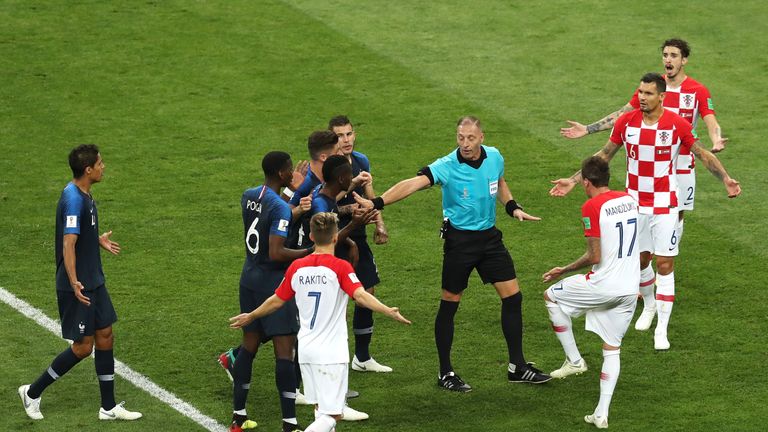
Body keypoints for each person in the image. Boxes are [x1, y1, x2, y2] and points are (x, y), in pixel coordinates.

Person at [355, 116, 552, 391]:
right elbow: (413, 183)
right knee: (450, 303)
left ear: (481, 137)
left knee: (513, 297)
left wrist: (512, 207)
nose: (465, 144)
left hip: (490, 239)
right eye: (460, 138)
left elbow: (499, 182)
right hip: (460, 242)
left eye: (470, 138)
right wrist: (377, 202)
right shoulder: (447, 165)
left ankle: (517, 366)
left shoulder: (494, 156)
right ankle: (445, 372)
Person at [550, 73, 741, 350]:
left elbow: (702, 154)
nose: (642, 97)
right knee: (639, 261)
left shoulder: (677, 124)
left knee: (664, 263)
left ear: (661, 96)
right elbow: (603, 155)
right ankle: (649, 305)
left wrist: (726, 179)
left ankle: (661, 329)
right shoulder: (626, 122)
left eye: (648, 93)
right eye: (640, 92)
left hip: (665, 204)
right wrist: (573, 179)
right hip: (634, 205)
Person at [229, 212, 411, 432]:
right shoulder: (341, 267)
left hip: (306, 350)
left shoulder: (297, 267)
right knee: (334, 414)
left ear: (312, 237)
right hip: (331, 354)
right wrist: (387, 310)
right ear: (336, 237)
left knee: (320, 410)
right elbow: (361, 295)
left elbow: (276, 300)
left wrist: (252, 315)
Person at [18, 144, 142, 421]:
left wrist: (96, 239)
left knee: (106, 335)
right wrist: (74, 282)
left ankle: (108, 407)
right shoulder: (74, 199)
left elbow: (77, 233)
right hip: (79, 285)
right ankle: (32, 392)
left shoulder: (82, 193)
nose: (103, 166)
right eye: (100, 163)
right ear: (88, 170)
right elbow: (68, 243)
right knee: (84, 347)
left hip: (93, 280)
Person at [542, 157, 640, 429]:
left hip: (603, 285)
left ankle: (575, 361)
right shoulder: (630, 200)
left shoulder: (591, 206)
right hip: (629, 289)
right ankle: (601, 414)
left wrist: (563, 269)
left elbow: (594, 255)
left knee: (551, 295)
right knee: (612, 348)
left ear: (586, 182)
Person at [227, 151, 317, 432]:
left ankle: (238, 417)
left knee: (250, 345)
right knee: (284, 353)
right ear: (281, 173)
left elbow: (269, 217)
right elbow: (277, 252)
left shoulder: (249, 194)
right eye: (289, 169)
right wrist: (308, 252)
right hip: (272, 283)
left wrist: (296, 205)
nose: (292, 173)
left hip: (248, 277)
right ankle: (290, 425)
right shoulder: (279, 207)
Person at [329, 115, 393, 374]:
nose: (346, 140)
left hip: (359, 238)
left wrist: (380, 224)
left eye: (349, 134)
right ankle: (336, 362)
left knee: (367, 292)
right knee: (337, 305)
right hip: (335, 240)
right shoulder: (329, 167)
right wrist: (351, 209)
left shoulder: (361, 161)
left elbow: (371, 199)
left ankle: (362, 358)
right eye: (340, 136)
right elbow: (327, 205)